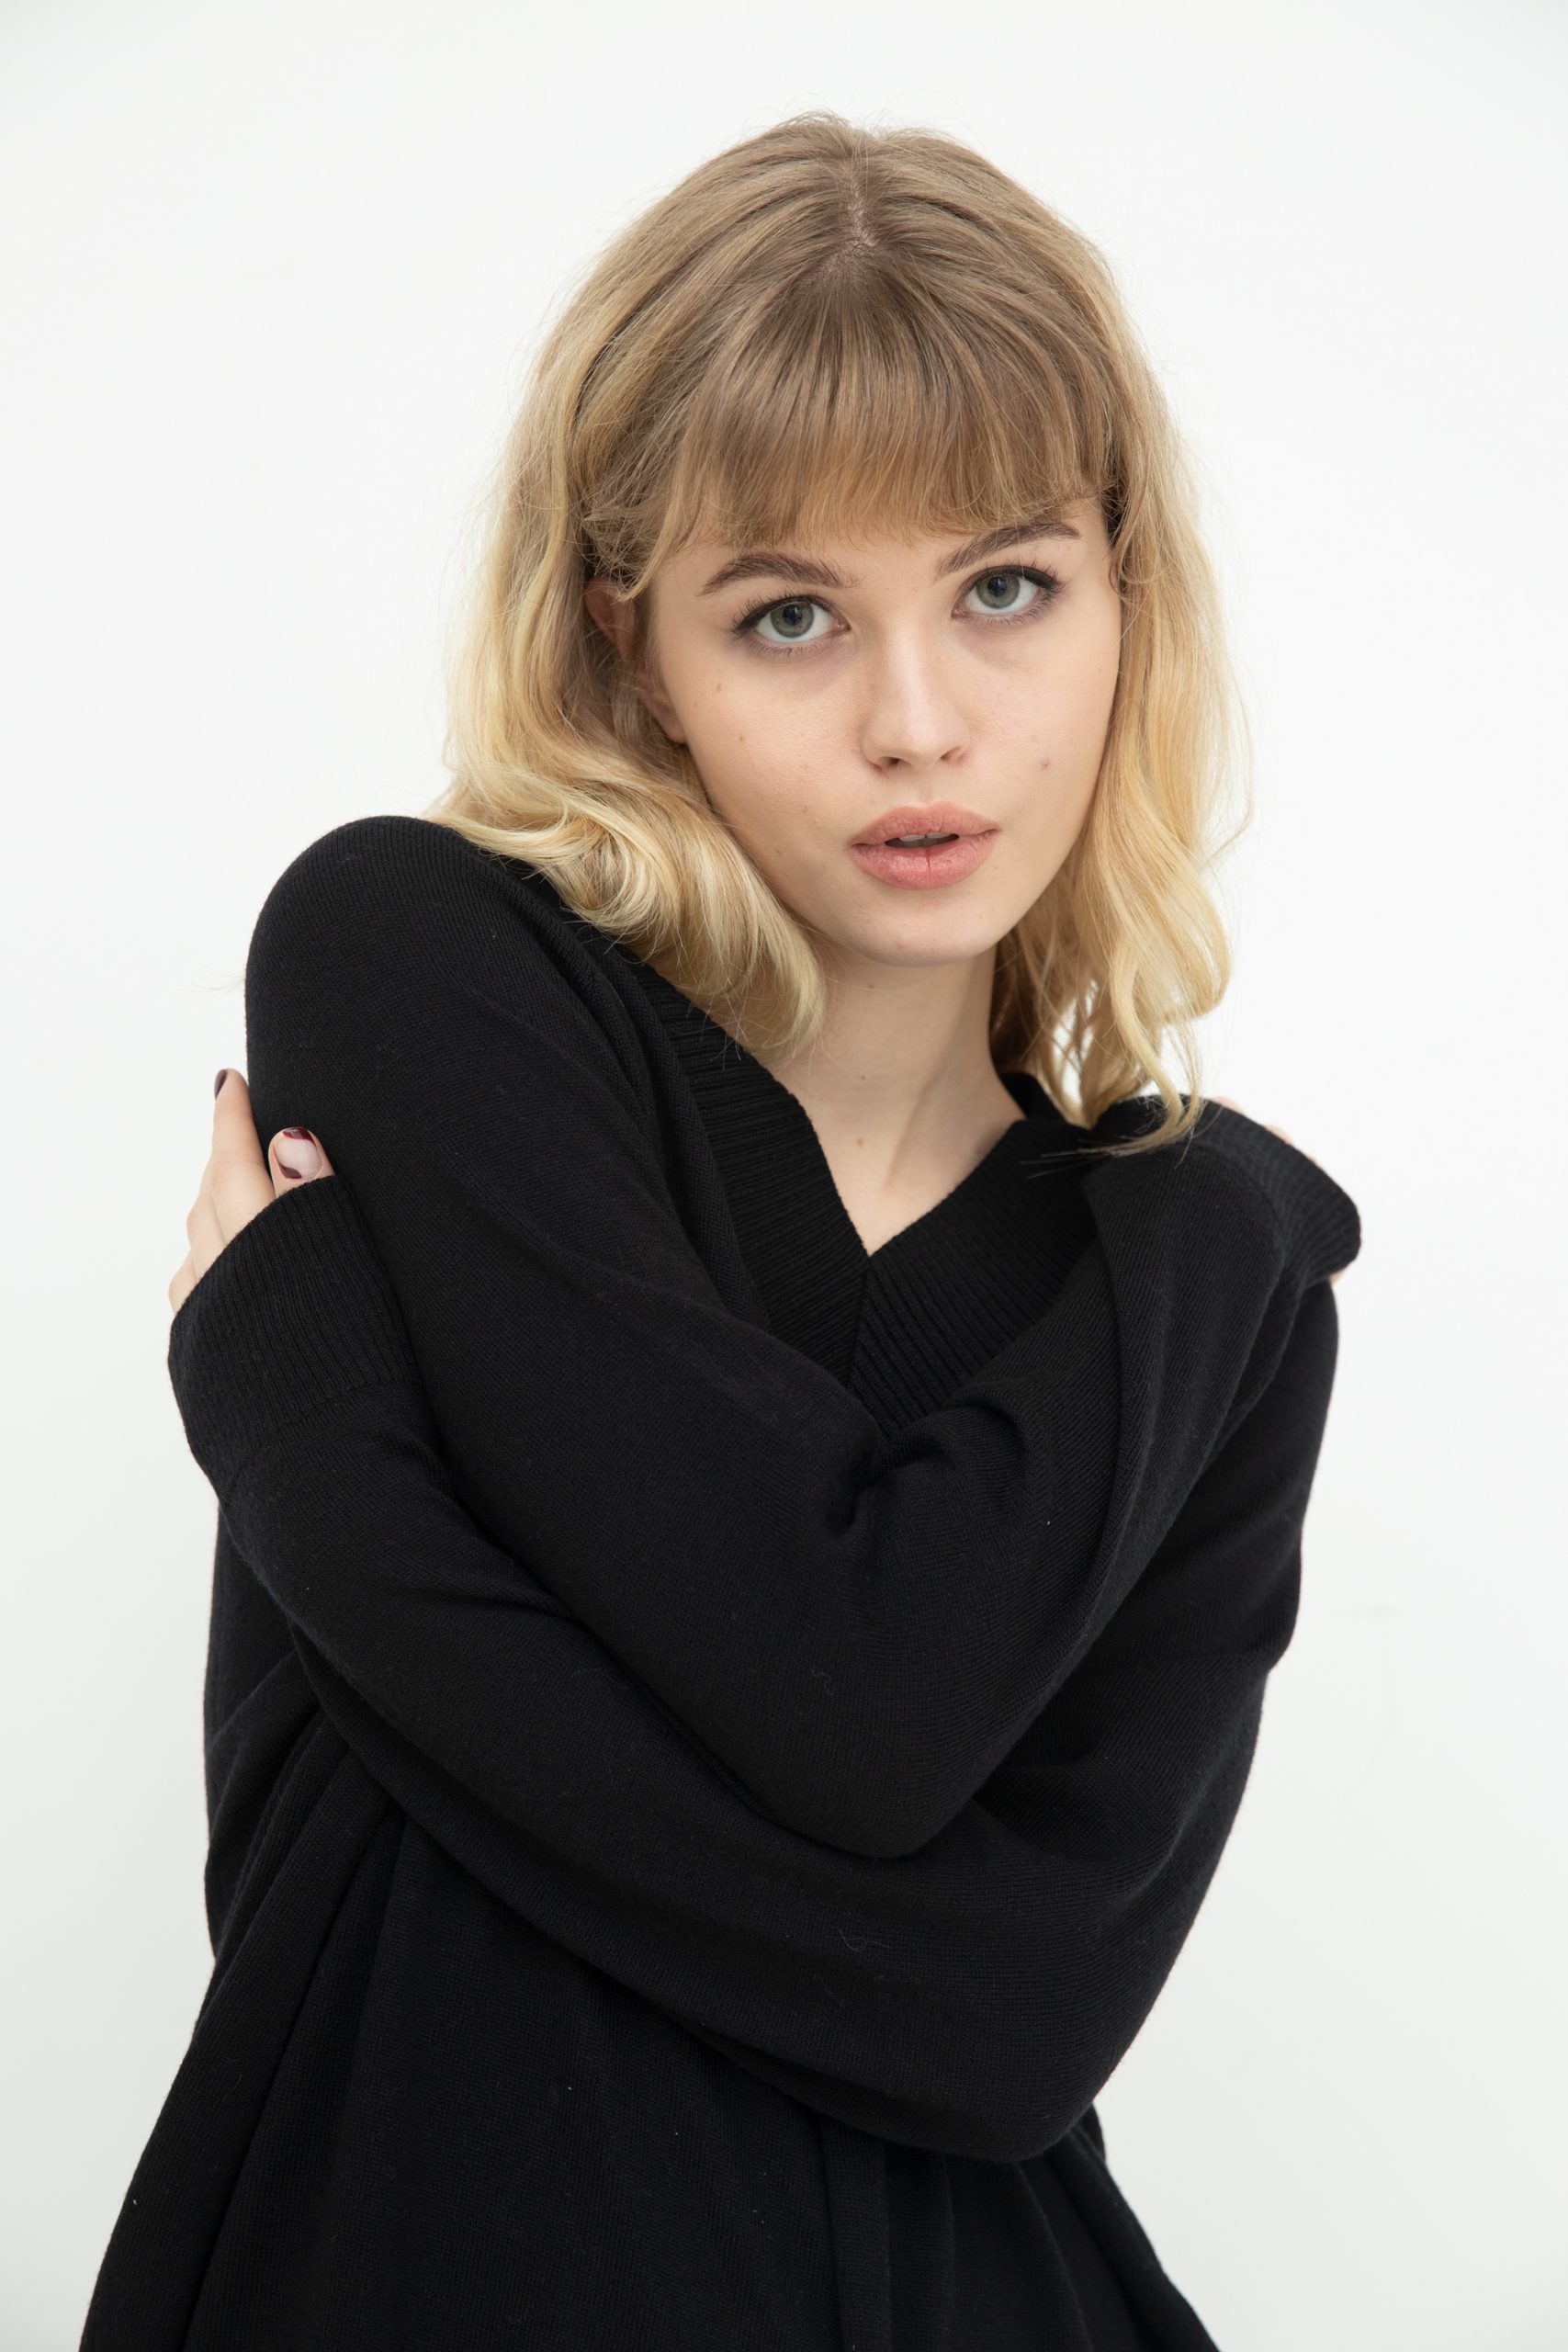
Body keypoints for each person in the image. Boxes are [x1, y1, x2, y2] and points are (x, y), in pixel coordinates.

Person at [83, 111, 1359, 2350]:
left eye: (1002, 586)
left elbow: (994, 2022)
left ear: (1123, 601)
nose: (915, 722)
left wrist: (318, 1466)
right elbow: (853, 1719)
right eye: (787, 614)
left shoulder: (1193, 1269)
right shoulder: (423, 965)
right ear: (630, 648)